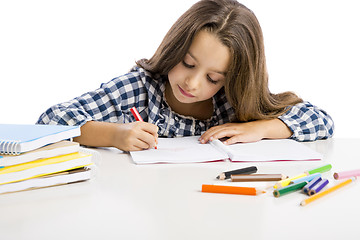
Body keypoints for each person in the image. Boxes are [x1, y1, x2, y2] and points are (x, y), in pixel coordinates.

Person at [37, 0, 334, 151]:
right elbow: (49, 122)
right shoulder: (138, 89)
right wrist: (113, 135)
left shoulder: (233, 103)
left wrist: (261, 128)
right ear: (175, 48)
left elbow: (321, 121)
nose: (192, 83)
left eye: (214, 78)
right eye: (188, 63)